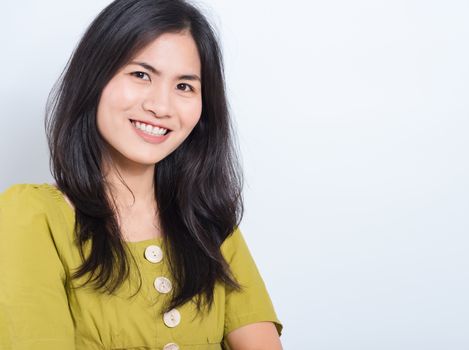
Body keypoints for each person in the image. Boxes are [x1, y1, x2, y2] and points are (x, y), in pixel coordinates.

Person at [0, 0, 283, 349]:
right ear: (95, 76)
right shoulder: (30, 216)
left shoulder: (207, 221)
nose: (161, 107)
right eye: (140, 75)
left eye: (185, 86)